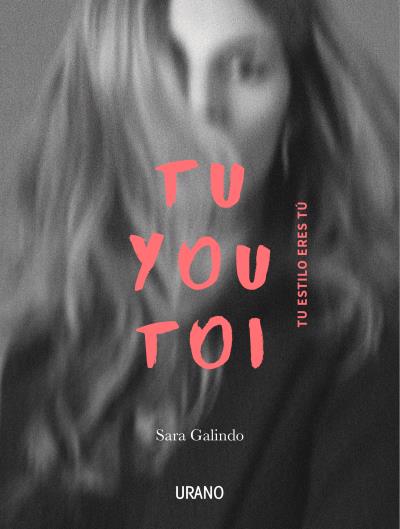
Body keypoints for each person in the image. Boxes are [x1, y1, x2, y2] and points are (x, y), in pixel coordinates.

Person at [0, 0, 397, 527]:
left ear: (296, 109)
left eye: (244, 68)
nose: (201, 105)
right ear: (108, 95)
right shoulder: (48, 347)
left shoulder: (361, 335)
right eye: (166, 64)